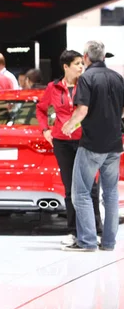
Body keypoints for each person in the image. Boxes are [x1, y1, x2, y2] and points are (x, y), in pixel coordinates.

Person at [36, 50, 103, 246]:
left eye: (82, 63)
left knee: (90, 186)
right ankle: (74, 231)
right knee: (70, 187)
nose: (81, 67)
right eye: (76, 64)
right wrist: (44, 130)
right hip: (62, 141)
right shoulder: (53, 87)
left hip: (86, 140)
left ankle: (96, 230)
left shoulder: (88, 84)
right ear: (66, 67)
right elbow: (40, 109)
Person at [62, 40, 124, 252]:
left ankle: (87, 241)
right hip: (115, 145)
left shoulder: (86, 78)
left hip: (91, 144)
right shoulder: (118, 77)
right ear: (104, 56)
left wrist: (69, 126)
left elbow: (82, 110)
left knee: (81, 193)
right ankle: (108, 242)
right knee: (111, 194)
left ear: (86, 57)